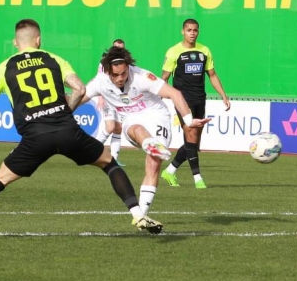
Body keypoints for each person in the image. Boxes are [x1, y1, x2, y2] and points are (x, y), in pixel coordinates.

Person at [0, 19, 163, 238]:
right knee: (109, 163)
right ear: (38, 40)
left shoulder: (4, 68)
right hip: (68, 131)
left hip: (35, 138)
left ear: (15, 42)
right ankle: (138, 214)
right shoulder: (54, 59)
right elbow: (79, 89)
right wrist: (65, 112)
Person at [79, 46, 211, 219]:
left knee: (153, 163)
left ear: (128, 67)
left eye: (124, 73)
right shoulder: (100, 82)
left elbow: (175, 93)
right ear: (107, 71)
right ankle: (150, 144)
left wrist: (188, 120)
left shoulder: (142, 76)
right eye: (115, 75)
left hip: (157, 117)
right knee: (137, 129)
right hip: (131, 120)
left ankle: (141, 216)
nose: (120, 78)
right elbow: (78, 99)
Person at [160, 18, 230, 189]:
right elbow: (164, 78)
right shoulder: (174, 52)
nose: (192, 33)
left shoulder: (204, 50)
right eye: (189, 30)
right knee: (191, 135)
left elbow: (212, 75)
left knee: (193, 143)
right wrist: (162, 98)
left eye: (195, 30)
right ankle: (198, 178)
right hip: (182, 100)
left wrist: (223, 95)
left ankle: (169, 171)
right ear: (183, 31)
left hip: (200, 98)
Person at [95, 38, 126, 166]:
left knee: (118, 128)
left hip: (120, 99)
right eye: (116, 48)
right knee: (110, 127)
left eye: (121, 48)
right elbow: (99, 79)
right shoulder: (104, 62)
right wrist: (100, 97)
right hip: (108, 97)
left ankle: (114, 159)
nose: (119, 50)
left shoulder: (126, 63)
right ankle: (91, 150)